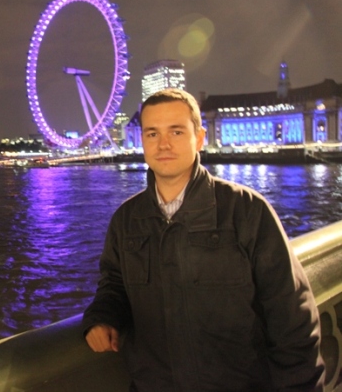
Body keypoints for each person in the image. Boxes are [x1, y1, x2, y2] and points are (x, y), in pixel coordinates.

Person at [82, 88, 325, 391]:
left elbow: (292, 320)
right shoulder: (125, 220)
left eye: (176, 131)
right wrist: (102, 317)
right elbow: (114, 285)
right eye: (152, 134)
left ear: (199, 138)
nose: (164, 144)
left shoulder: (247, 211)